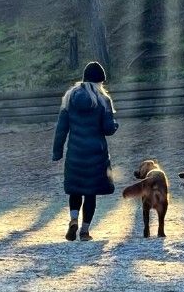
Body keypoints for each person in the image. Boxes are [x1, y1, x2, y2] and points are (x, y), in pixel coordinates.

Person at [52, 61, 119, 241]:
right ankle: (84, 231)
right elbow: (107, 129)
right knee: (90, 192)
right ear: (99, 81)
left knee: (75, 189)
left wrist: (57, 152)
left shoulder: (69, 98)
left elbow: (61, 128)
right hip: (96, 154)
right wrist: (115, 125)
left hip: (75, 153)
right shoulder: (103, 100)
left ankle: (73, 219)